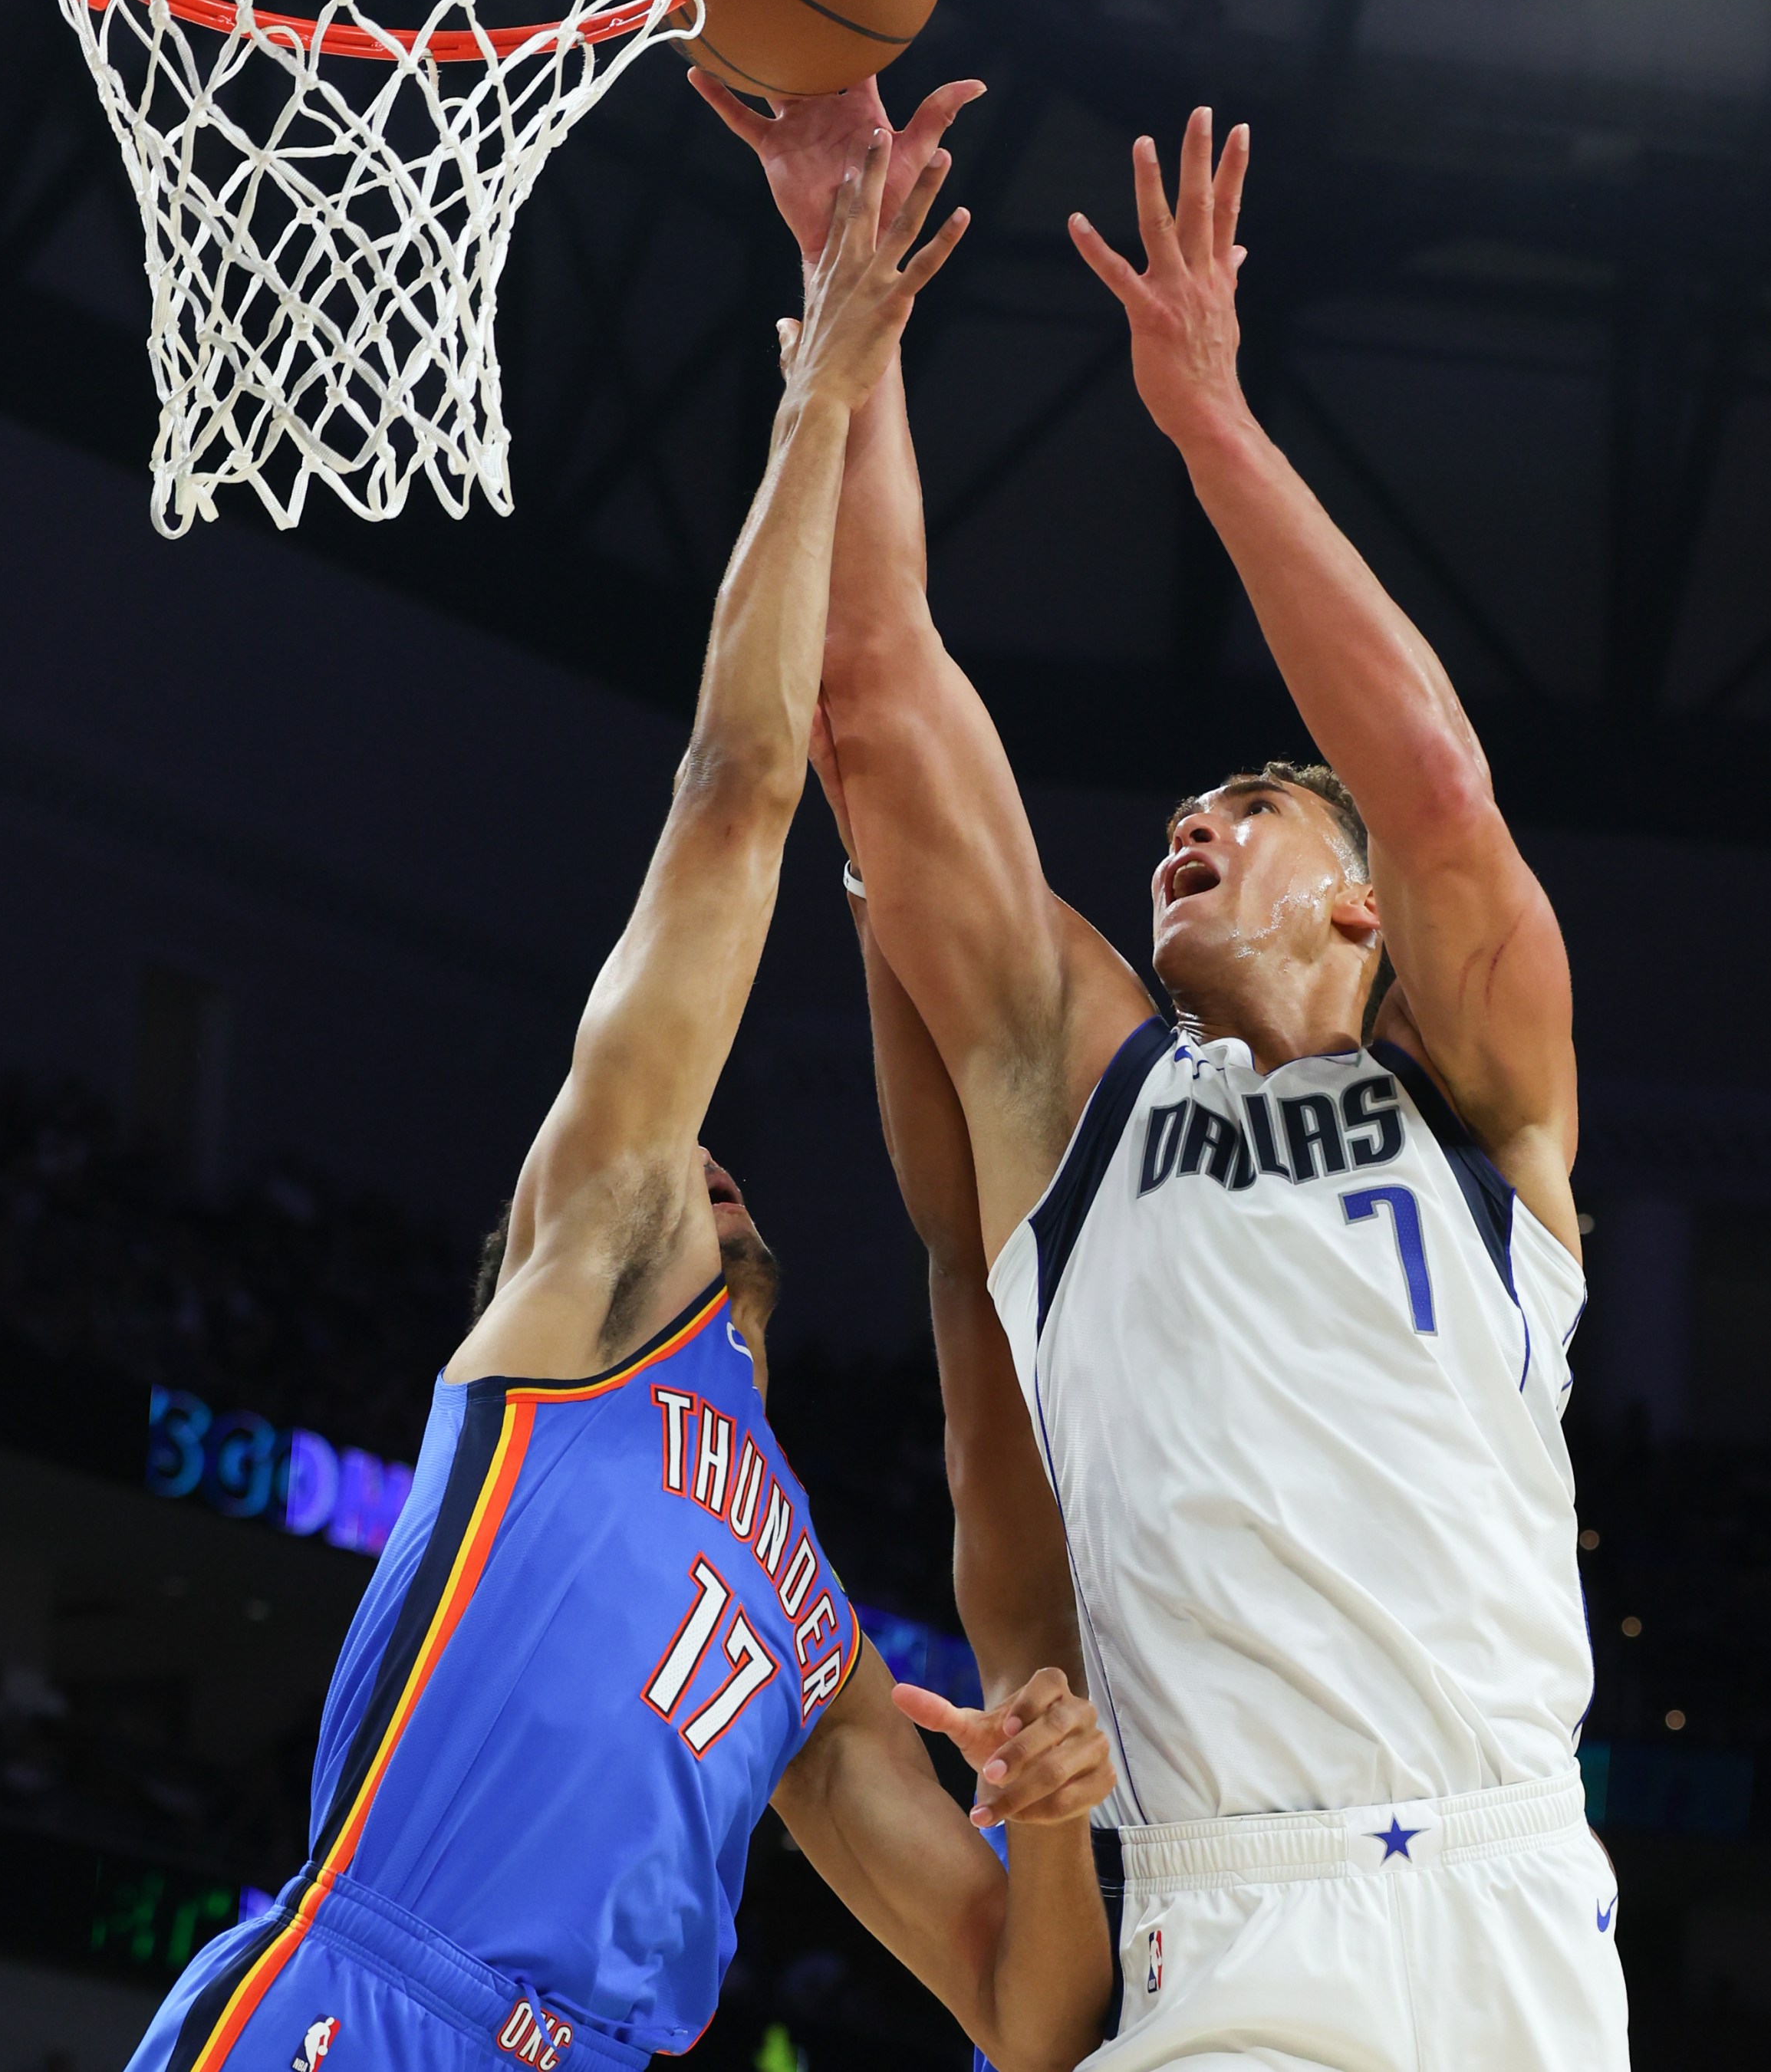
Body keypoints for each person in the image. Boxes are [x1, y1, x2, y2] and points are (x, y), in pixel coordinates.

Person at [125, 135, 1118, 2072]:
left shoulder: (812, 1618)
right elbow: (742, 790)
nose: (695, 1155)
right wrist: (823, 392)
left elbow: (1027, 2007)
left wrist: (1065, 1813)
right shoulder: (589, 1278)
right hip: (362, 2002)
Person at [701, 74, 1629, 2070]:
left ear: (1363, 913)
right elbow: (872, 701)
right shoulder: (1079, 1095)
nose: (1192, 824)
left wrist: (1208, 417)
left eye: (1258, 810)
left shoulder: (1486, 1111)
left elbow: (1443, 789)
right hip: (1235, 1919)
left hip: (1508, 1902)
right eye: (1182, 812)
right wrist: (839, 273)